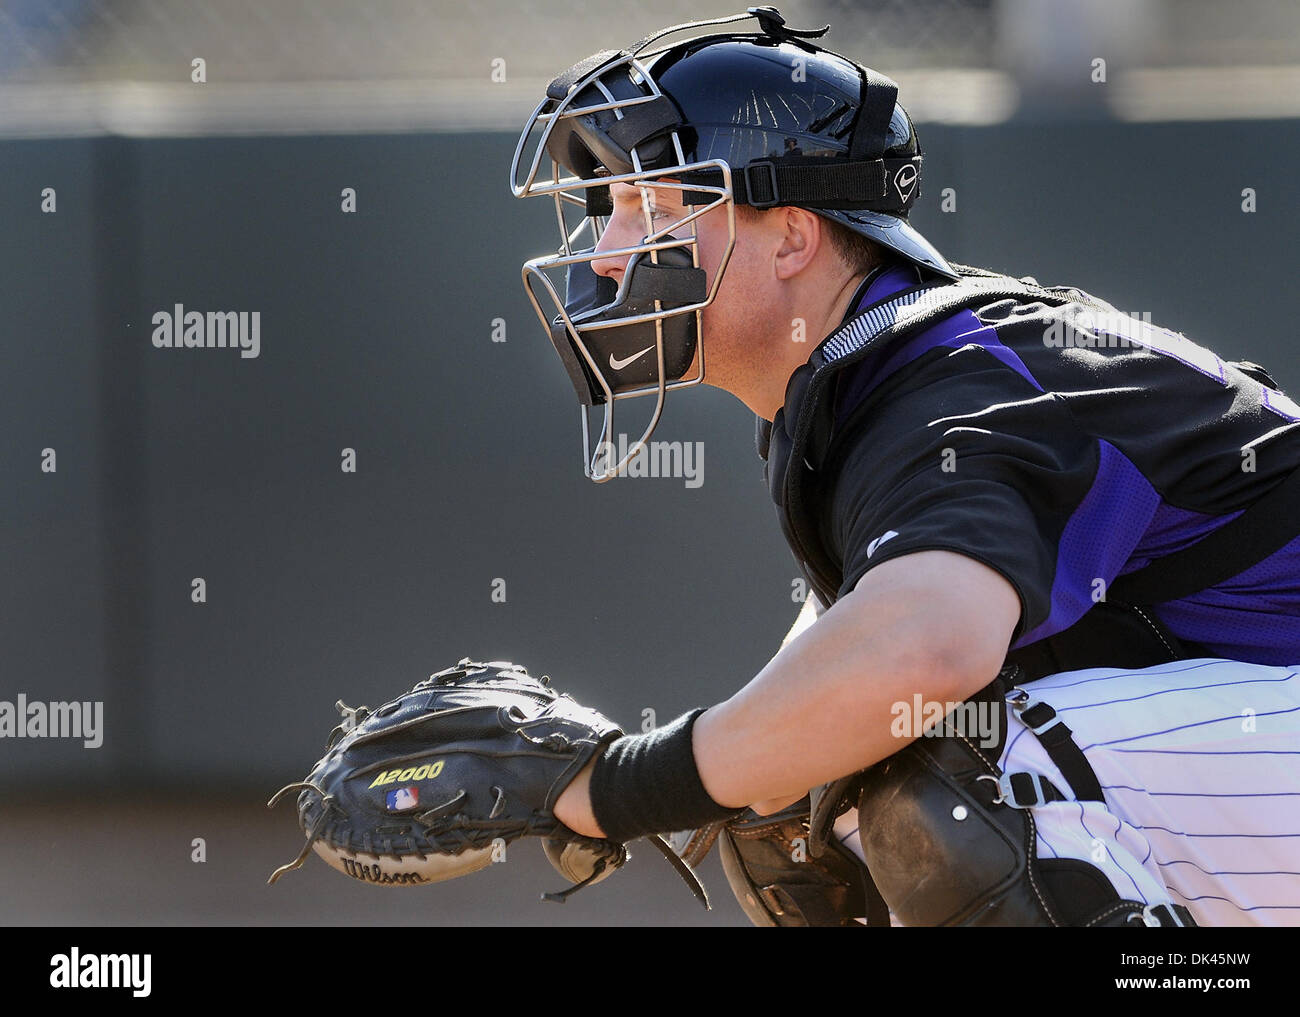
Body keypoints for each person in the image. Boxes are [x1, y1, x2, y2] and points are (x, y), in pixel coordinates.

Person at [509, 7, 1300, 926]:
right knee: (799, 800)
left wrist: (606, 788)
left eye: (651, 204)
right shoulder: (874, 386)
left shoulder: (953, 385)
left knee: (954, 777)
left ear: (794, 237)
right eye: (613, 210)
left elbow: (924, 650)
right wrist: (637, 775)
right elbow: (810, 714)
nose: (608, 254)